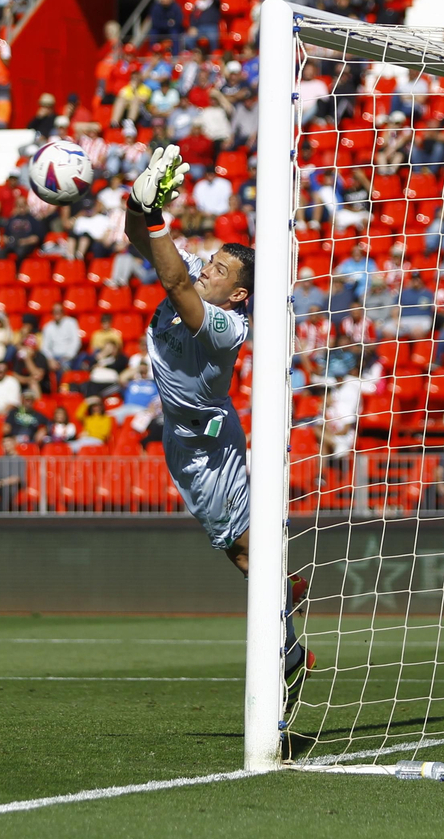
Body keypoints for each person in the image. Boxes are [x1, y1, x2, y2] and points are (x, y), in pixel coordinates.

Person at [123, 144, 311, 703]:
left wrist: (155, 220)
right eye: (210, 262)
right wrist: (139, 203)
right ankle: (285, 604)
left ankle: (288, 643)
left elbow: (177, 284)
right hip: (182, 442)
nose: (207, 269)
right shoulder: (194, 277)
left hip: (207, 450)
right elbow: (143, 244)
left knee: (245, 552)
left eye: (221, 270)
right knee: (241, 554)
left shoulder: (227, 325)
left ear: (239, 294)